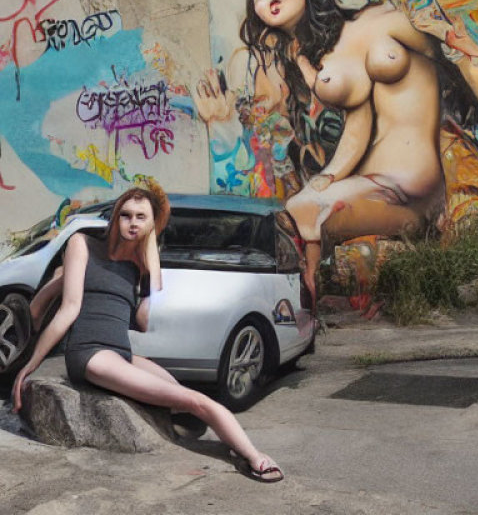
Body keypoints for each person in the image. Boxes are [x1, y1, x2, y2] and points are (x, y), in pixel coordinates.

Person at [196, 0, 452, 308]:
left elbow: (450, 56)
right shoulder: (302, 61)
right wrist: (327, 176)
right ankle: (308, 300)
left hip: (422, 174)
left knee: (303, 208)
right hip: (381, 188)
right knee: (294, 212)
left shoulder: (371, 22)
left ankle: (305, 301)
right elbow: (357, 124)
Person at [11, 186, 283, 483]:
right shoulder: (83, 243)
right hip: (90, 354)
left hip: (122, 353)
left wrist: (152, 270)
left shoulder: (135, 267)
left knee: (179, 398)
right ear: (115, 217)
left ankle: (57, 280)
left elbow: (141, 323)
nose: (133, 223)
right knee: (198, 401)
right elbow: (69, 309)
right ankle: (254, 457)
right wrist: (30, 365)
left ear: (151, 225)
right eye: (125, 215)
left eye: (142, 217)